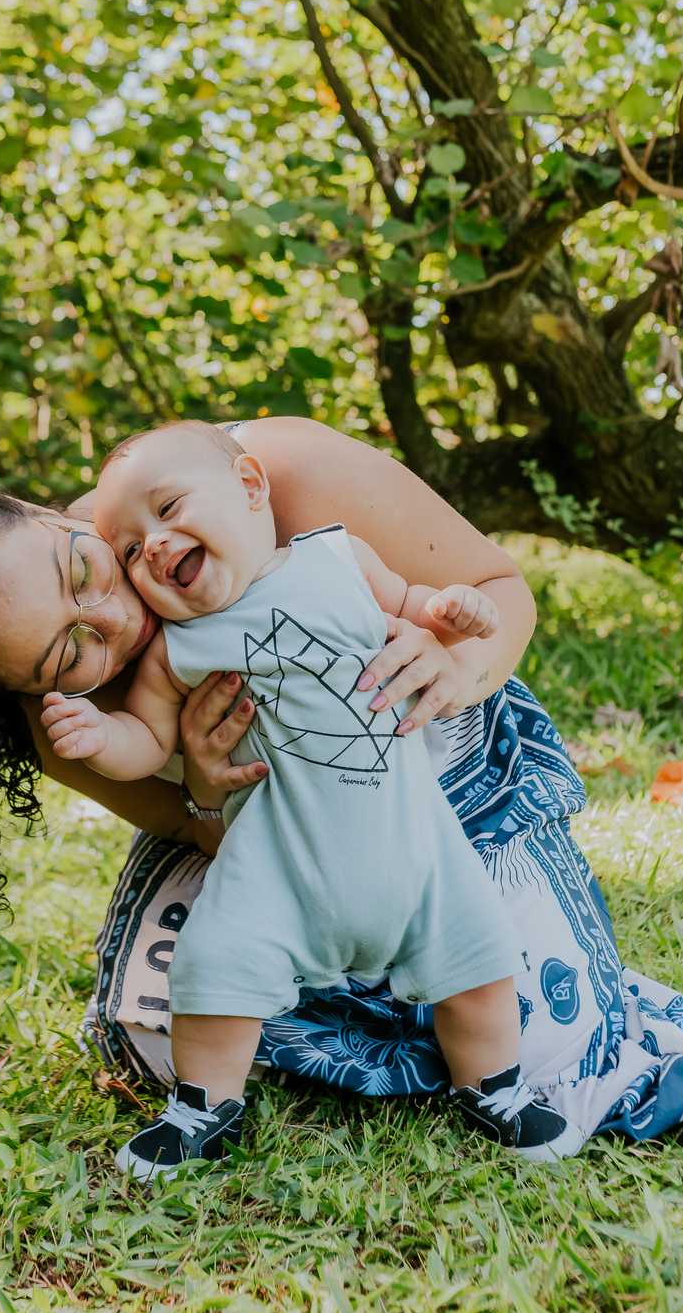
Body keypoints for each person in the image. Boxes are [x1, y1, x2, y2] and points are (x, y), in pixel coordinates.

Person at [0, 417, 683, 1150]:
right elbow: (195, 828)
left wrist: (459, 660)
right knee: (156, 1027)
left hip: (443, 774)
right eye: (68, 653)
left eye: (82, 570)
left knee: (557, 1042)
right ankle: (431, 1024)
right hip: (279, 836)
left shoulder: (257, 469)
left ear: (43, 510)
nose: (117, 620)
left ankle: (516, 1020)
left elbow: (498, 588)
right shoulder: (71, 721)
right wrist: (212, 787)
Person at [44, 421, 580, 1175]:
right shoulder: (179, 647)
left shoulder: (339, 557)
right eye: (131, 550)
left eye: (168, 510)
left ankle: (493, 1089)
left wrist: (454, 619)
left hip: (417, 847)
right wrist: (99, 735)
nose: (155, 545)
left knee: (480, 962)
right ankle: (203, 1105)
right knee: (211, 970)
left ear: (253, 488)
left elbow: (419, 605)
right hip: (276, 867)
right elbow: (145, 738)